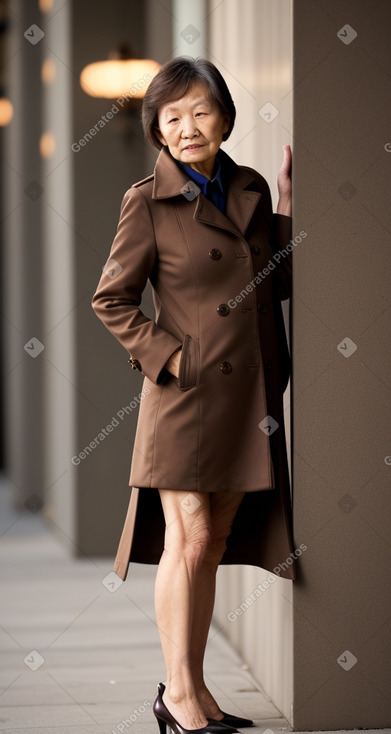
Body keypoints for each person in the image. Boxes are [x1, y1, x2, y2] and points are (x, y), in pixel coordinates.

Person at [92, 56, 295, 734]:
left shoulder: (250, 187)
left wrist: (287, 213)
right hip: (183, 399)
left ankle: (196, 691)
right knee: (191, 537)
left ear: (225, 117)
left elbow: (269, 281)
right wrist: (170, 357)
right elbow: (110, 299)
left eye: (200, 111)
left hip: (247, 399)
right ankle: (176, 697)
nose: (187, 126)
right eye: (171, 116)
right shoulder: (144, 200)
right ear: (156, 130)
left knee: (210, 547)